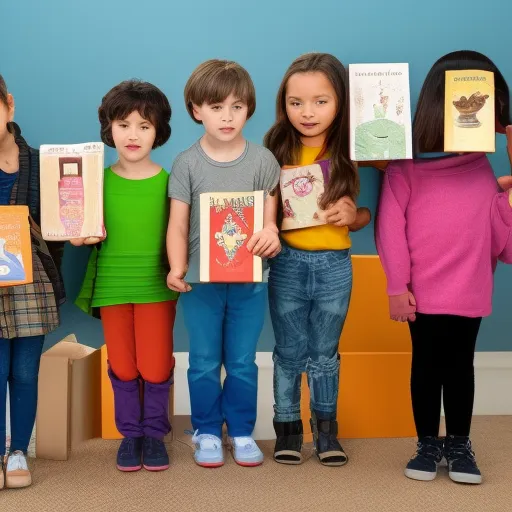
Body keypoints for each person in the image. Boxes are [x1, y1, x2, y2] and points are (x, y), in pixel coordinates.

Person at [376, 50, 512, 485]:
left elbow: (505, 248)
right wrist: (396, 286)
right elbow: (389, 231)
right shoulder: (405, 167)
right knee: (427, 365)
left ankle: (458, 442)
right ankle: (427, 443)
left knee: (460, 366)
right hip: (421, 292)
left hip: (469, 290)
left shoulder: (484, 170)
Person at [167, 59, 281, 468]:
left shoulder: (264, 161)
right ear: (197, 110)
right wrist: (176, 267)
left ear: (249, 108)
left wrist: (271, 233)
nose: (227, 116)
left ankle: (243, 430)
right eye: (216, 107)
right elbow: (177, 225)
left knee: (241, 361)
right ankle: (207, 430)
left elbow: (271, 219)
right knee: (202, 361)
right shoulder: (186, 163)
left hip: (250, 279)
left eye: (237, 106)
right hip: (200, 282)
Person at [264, 53, 371, 466]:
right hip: (288, 263)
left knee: (325, 353)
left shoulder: (354, 145)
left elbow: (375, 207)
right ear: (284, 103)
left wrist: (355, 215)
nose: (307, 113)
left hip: (334, 266)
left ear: (341, 101)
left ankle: (327, 433)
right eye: (296, 102)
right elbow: (262, 209)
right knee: (288, 351)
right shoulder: (274, 147)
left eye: (320, 101)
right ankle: (287, 431)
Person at [75, 80, 178, 472]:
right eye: (124, 124)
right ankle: (130, 435)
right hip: (112, 285)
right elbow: (76, 224)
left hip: (156, 286)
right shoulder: (95, 180)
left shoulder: (171, 182)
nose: (133, 134)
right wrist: (79, 235)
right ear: (109, 128)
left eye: (144, 125)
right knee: (122, 365)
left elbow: (182, 233)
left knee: (154, 365)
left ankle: (154, 433)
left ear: (159, 131)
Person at [0, 74, 65, 489]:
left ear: (8, 105)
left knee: (25, 370)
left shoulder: (41, 163)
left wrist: (76, 227)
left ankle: (19, 450)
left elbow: (63, 222)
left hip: (30, 279)